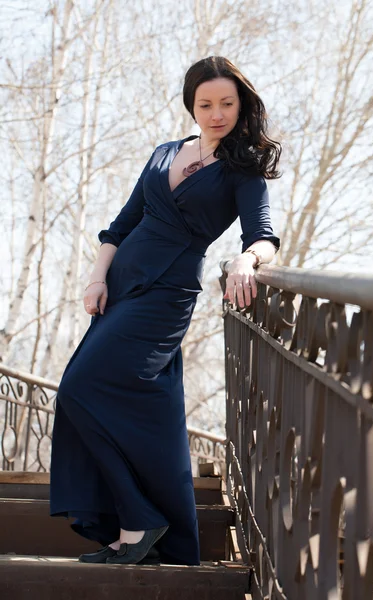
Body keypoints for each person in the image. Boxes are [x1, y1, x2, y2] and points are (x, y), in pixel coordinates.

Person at [49, 55, 281, 567]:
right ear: (191, 106)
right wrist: (95, 277)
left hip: (164, 296)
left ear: (240, 106)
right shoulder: (164, 152)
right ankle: (133, 526)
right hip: (119, 286)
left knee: (80, 387)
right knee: (104, 401)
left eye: (226, 103)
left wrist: (247, 258)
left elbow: (264, 235)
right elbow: (121, 224)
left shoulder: (243, 169)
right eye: (206, 104)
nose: (216, 113)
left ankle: (140, 517)